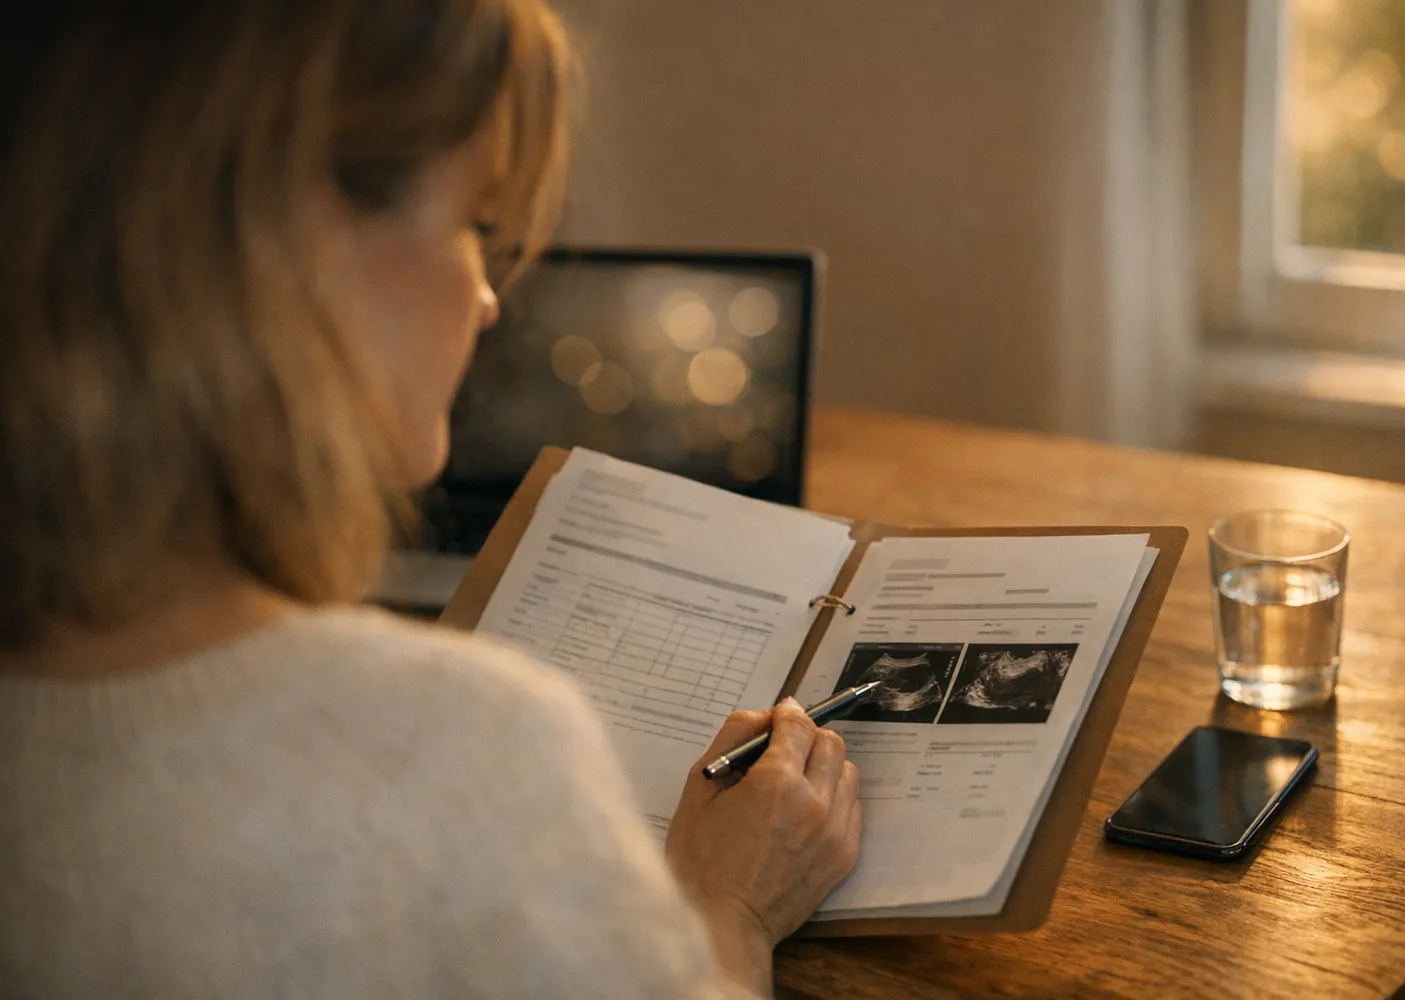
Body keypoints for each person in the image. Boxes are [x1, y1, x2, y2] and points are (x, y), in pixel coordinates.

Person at [0, 2, 862, 997]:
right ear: (290, 244)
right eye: (474, 223)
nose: (488, 297)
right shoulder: (453, 752)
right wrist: (731, 910)